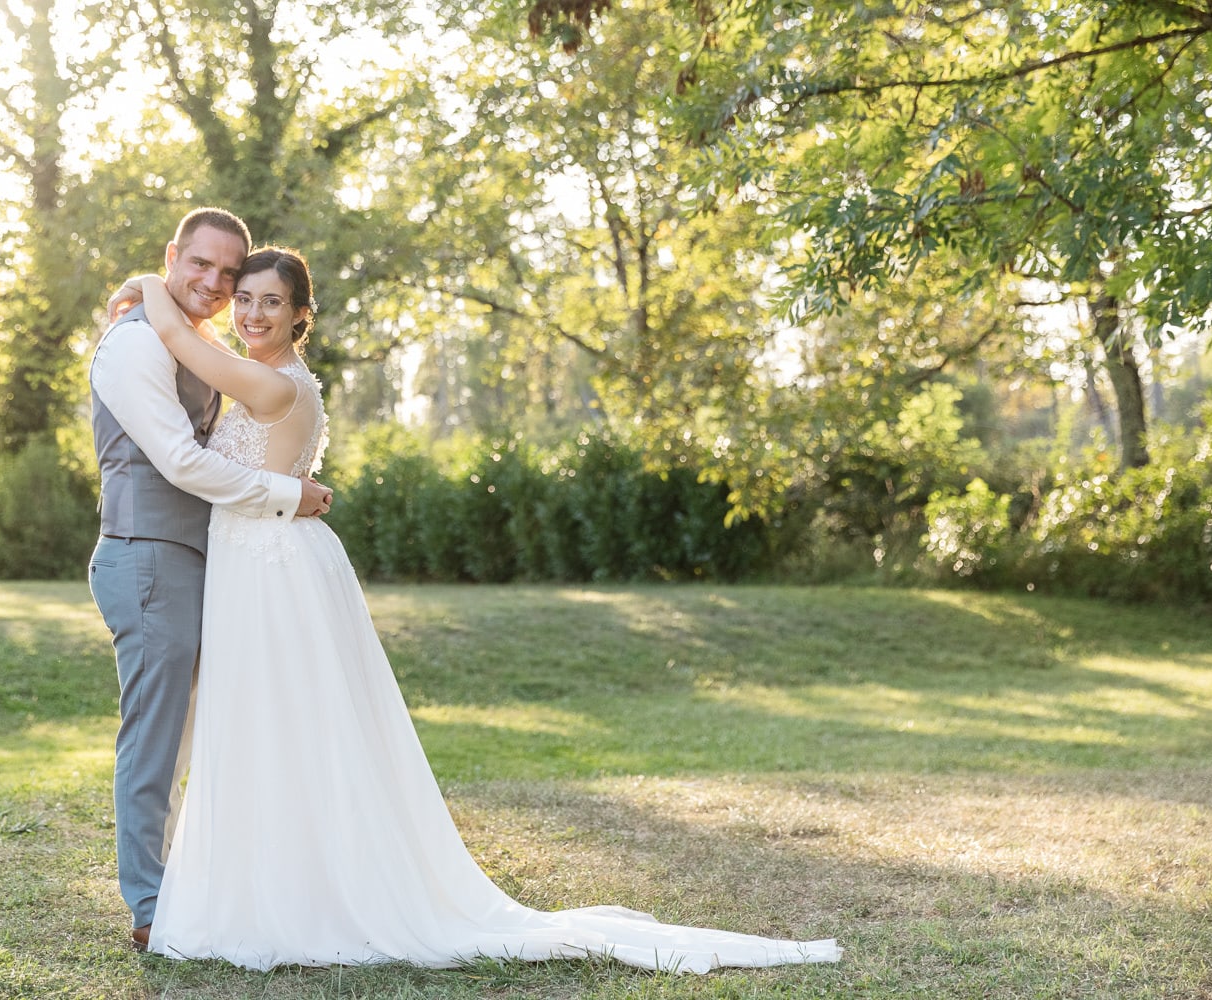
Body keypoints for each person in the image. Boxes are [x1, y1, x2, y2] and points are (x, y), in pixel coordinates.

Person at [108, 247, 842, 973]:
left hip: (272, 567)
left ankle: (302, 896)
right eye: (245, 298)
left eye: (271, 301)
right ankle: (265, 882)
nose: (251, 313)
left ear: (302, 315)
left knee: (291, 726)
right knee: (264, 726)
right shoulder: (261, 373)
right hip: (257, 560)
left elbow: (177, 341)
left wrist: (148, 280)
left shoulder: (276, 386)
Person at [88, 209, 333, 954]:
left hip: (205, 560)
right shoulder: (133, 345)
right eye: (199, 265)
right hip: (146, 555)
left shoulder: (200, 346)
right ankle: (151, 904)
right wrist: (290, 495)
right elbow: (182, 461)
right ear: (173, 257)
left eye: (230, 274)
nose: (215, 284)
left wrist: (144, 285)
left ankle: (199, 881)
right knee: (158, 736)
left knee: (206, 733)